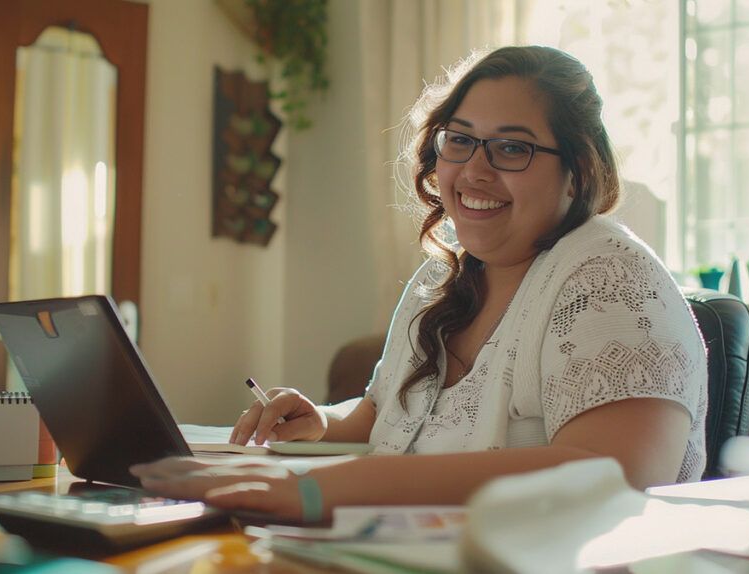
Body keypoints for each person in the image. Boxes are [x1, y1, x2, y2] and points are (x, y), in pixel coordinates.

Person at [130, 45, 708, 522]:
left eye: (512, 148)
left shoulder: (609, 278)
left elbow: (617, 475)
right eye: (460, 139)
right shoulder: (443, 274)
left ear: (576, 169)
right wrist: (324, 421)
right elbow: (389, 415)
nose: (474, 170)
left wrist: (334, 488)